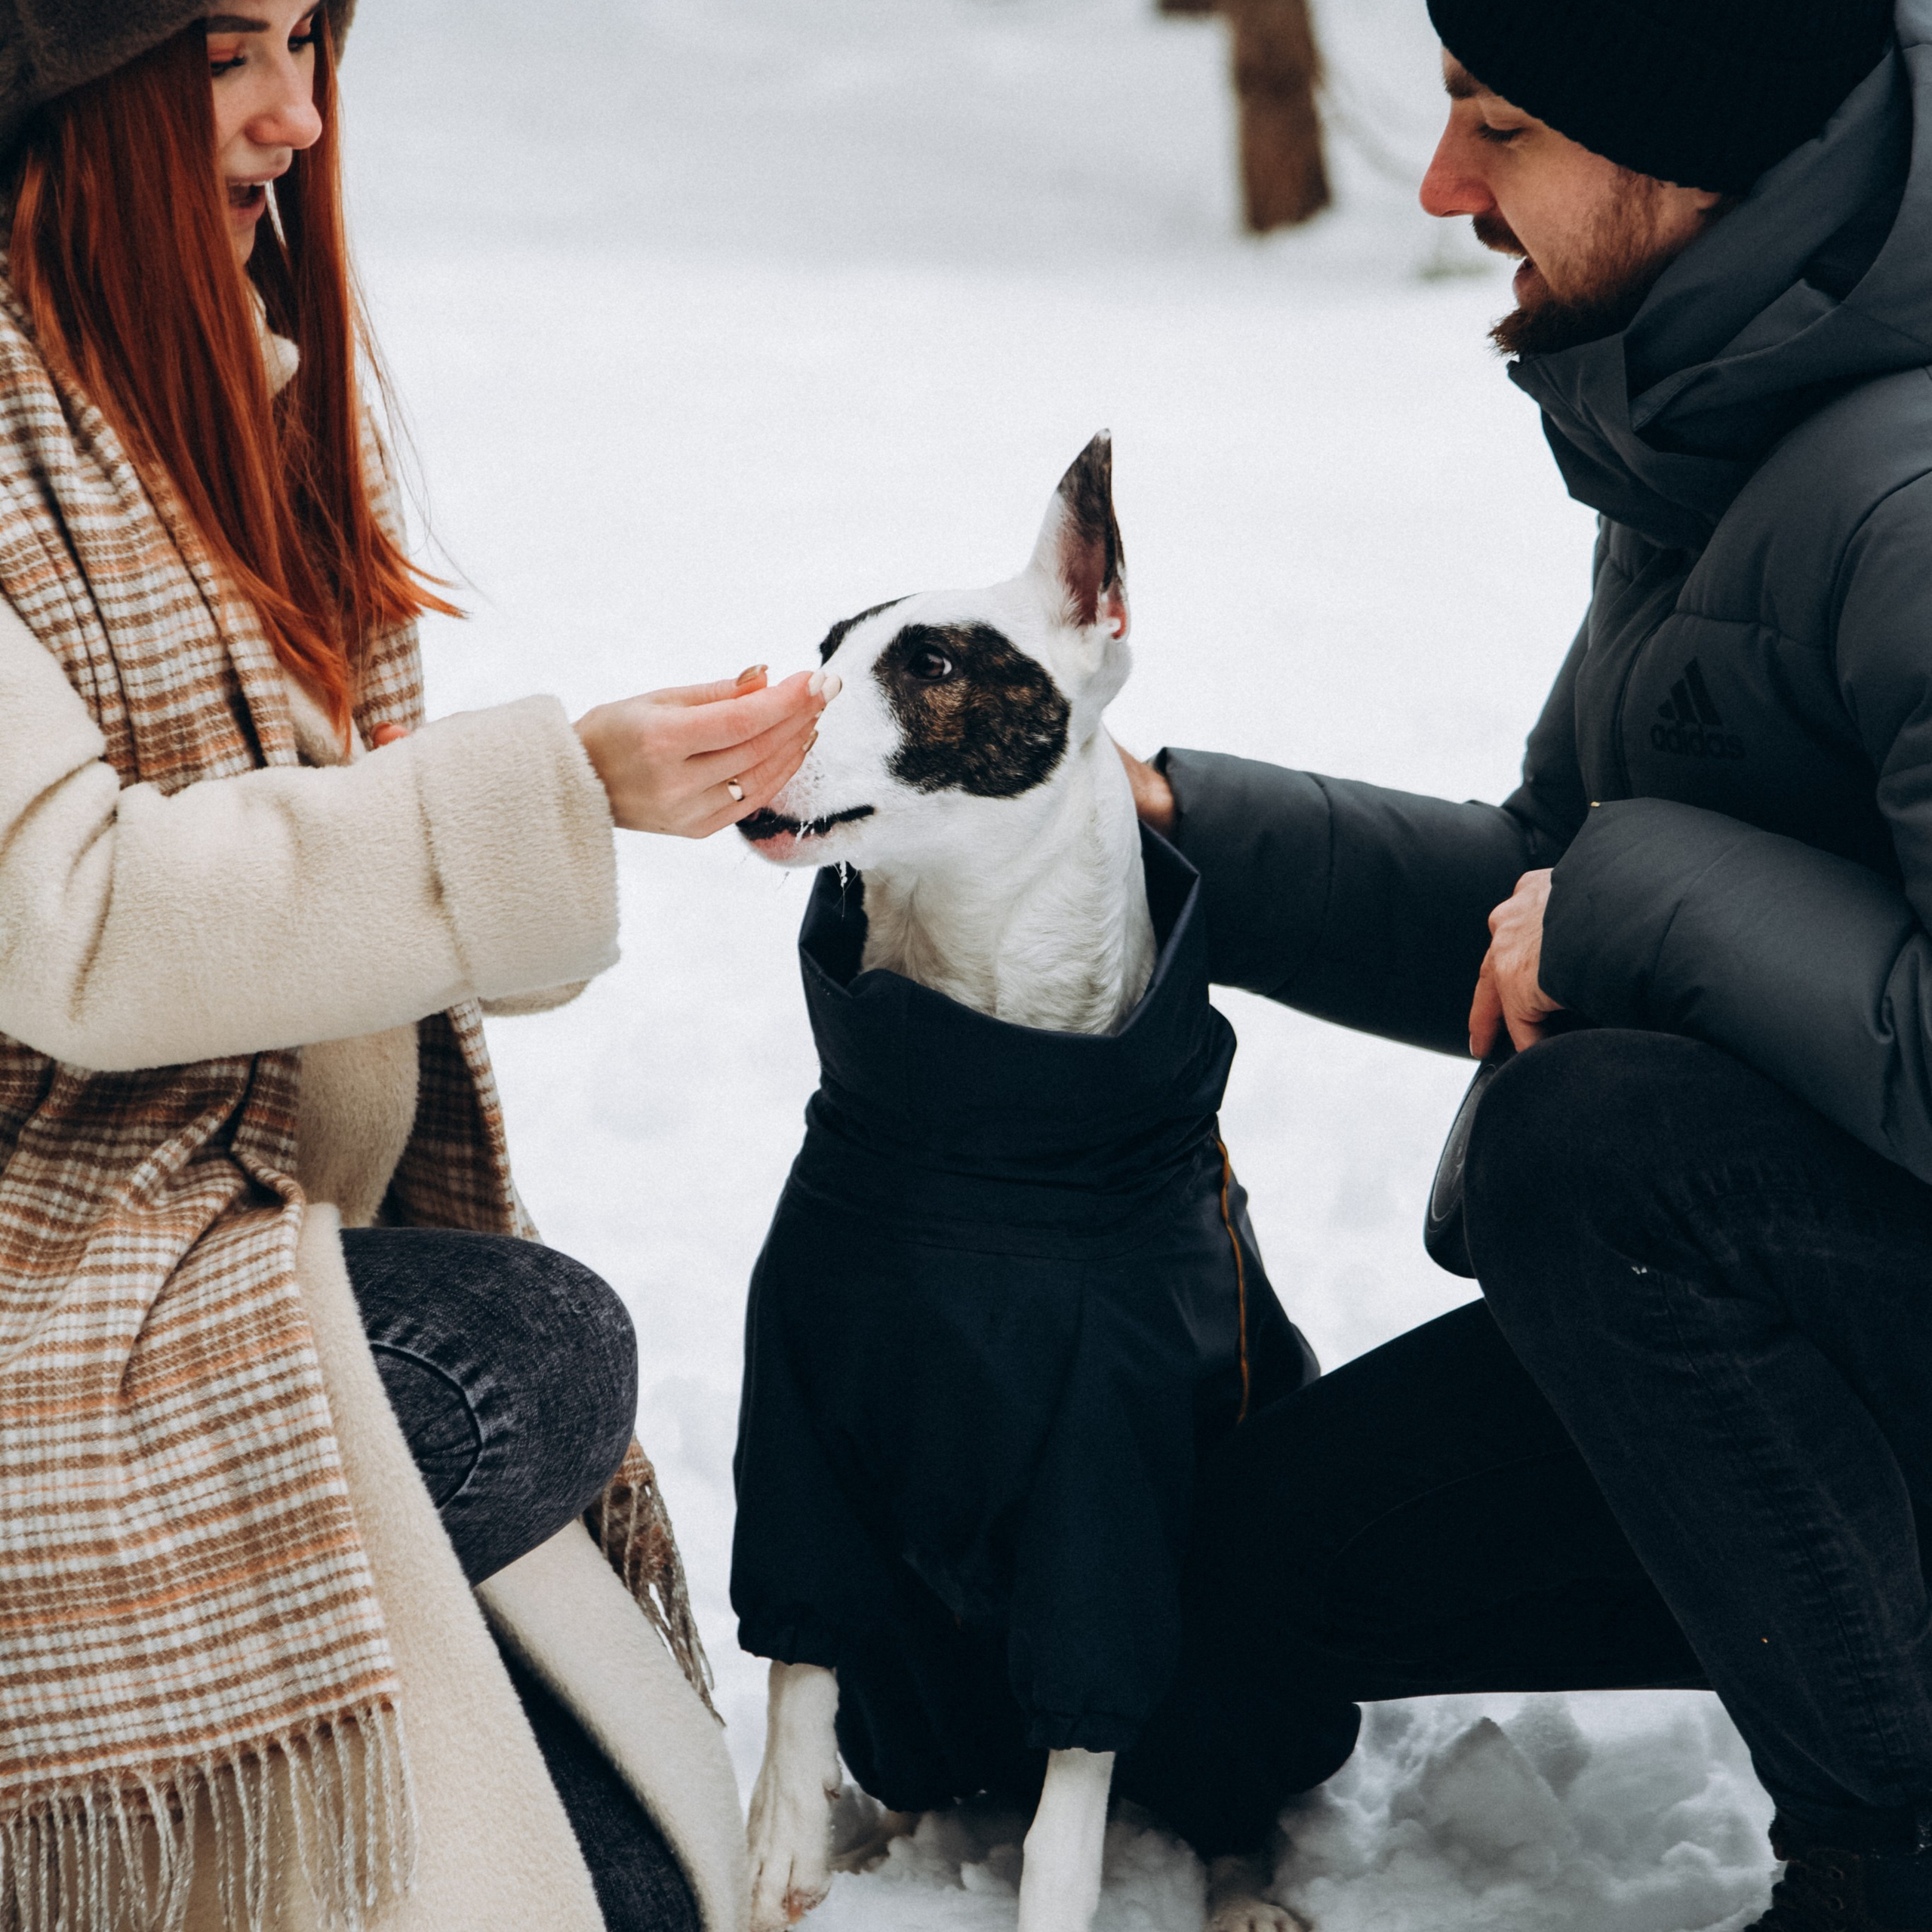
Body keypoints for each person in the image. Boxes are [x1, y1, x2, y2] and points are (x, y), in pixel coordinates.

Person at [0, 7, 835, 1930]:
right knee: (505, 1362)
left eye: (308, 38)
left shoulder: (232, 374)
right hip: (58, 1249)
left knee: (632, 1881)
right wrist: (551, 796)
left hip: (219, 1209)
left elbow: (315, 850)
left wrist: (569, 812)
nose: (296, 113)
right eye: (223, 52)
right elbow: (75, 920)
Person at [1113, 2, 1932, 1927]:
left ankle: (1881, 1856)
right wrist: (1162, 819)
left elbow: (1603, 915)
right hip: (1825, 1324)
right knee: (1246, 1567)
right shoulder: (1710, 412)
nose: (1440, 185)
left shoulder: (1899, 495)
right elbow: (1528, 905)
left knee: (1598, 1140)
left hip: (1789, 1271)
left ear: (1692, 156)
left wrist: (1632, 895)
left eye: (1499, 127)